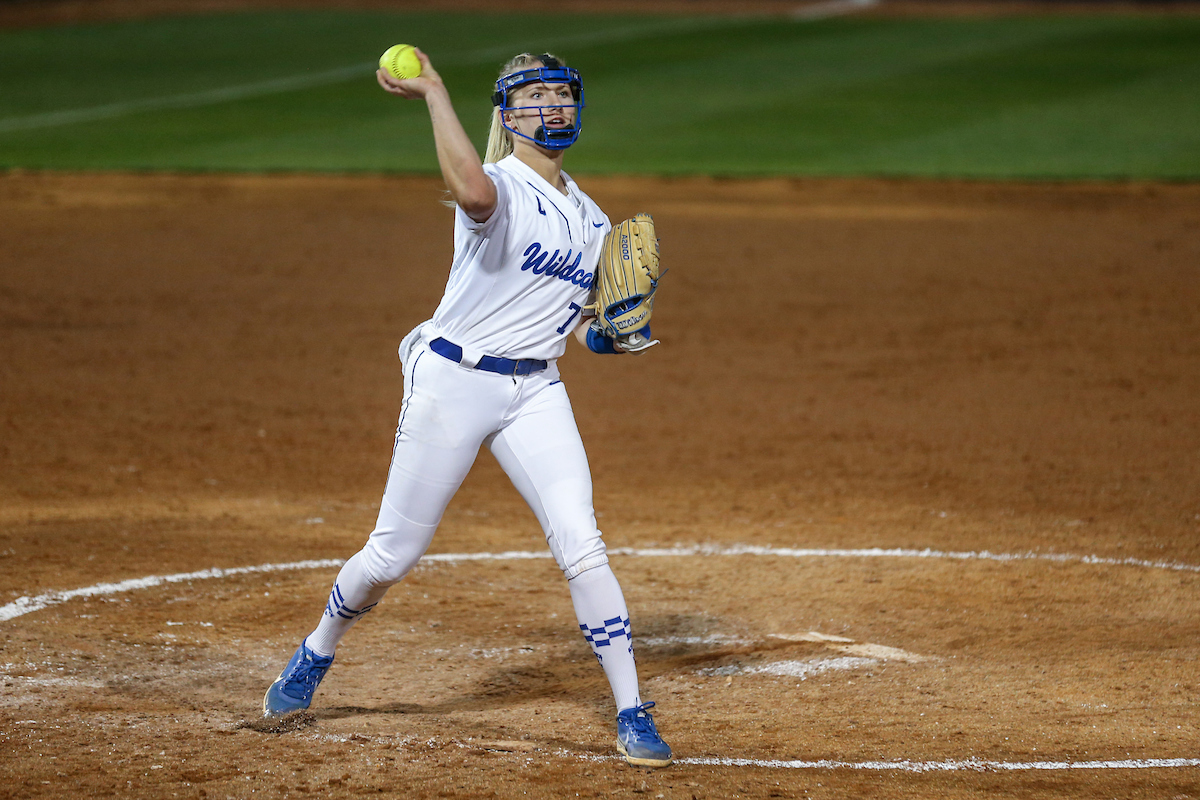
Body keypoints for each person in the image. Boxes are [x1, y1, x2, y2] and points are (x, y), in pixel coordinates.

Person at [260, 48, 673, 769]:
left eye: (562, 96)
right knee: (392, 556)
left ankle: (632, 712)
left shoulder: (594, 220)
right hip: (453, 383)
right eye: (535, 97)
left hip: (537, 390)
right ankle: (316, 650)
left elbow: (574, 325)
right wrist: (435, 93)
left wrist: (611, 337)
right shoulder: (499, 188)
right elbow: (473, 195)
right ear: (507, 115)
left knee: (582, 542)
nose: (553, 108)